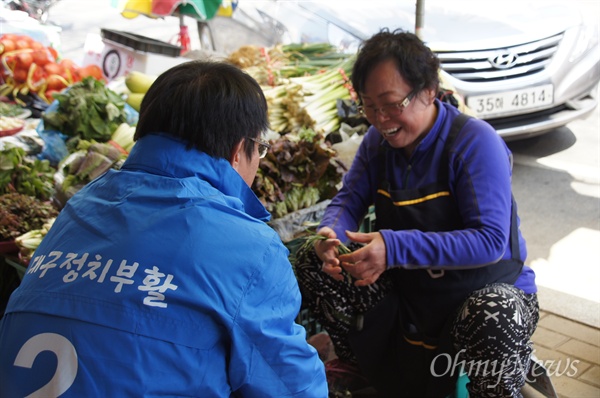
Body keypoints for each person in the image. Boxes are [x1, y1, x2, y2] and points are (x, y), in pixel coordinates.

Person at [0, 60, 327, 397]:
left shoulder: (80, 206)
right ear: (236, 151)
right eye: (259, 148)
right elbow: (290, 386)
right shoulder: (251, 247)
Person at [296, 29, 539, 397]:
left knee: (497, 310)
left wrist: (393, 248)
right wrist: (331, 235)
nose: (381, 119)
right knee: (309, 260)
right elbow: (349, 200)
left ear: (428, 90)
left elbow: (490, 241)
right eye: (369, 106)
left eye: (392, 103)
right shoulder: (377, 143)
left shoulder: (475, 142)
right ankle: (363, 369)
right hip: (414, 296)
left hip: (482, 296)